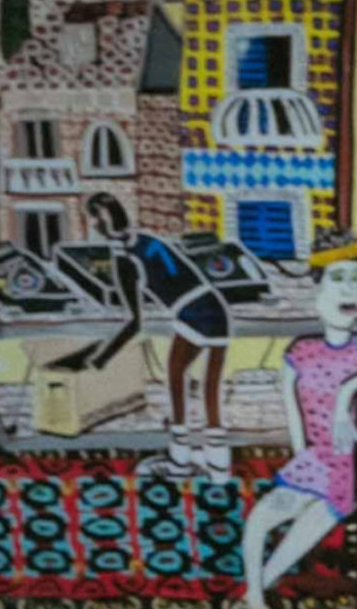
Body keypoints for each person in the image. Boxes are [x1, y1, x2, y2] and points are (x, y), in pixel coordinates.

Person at [227, 231, 357, 609]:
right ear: (318, 288)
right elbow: (294, 416)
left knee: (309, 523)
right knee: (259, 519)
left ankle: (253, 602)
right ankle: (256, 598)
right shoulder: (300, 352)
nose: (348, 290)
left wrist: (347, 393)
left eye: (354, 280)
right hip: (317, 460)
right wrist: (301, 463)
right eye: (338, 279)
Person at [60, 191, 234, 478]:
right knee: (210, 384)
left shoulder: (123, 258)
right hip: (214, 305)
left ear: (100, 224)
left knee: (176, 377)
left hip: (190, 311)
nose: (95, 225)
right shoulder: (144, 239)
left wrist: (100, 358)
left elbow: (134, 322)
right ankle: (218, 464)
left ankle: (180, 459)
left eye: (94, 220)